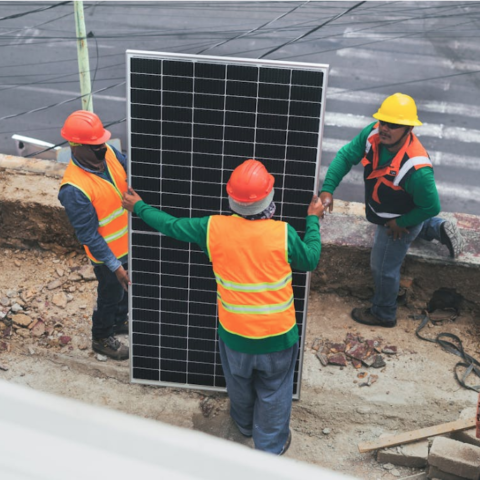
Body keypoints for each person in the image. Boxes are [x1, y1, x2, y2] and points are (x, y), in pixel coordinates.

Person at [122, 159, 324, 455]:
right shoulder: (283, 233)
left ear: (231, 199)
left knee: (239, 384)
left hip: (235, 336)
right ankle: (270, 447)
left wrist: (139, 206)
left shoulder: (213, 228)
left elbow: (171, 226)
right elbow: (311, 259)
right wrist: (313, 219)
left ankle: (243, 426)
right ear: (269, 198)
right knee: (275, 391)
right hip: (278, 337)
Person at [319, 93, 464, 328]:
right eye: (383, 122)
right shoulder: (373, 134)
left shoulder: (416, 168)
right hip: (389, 209)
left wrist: (402, 223)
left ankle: (383, 313)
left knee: (383, 265)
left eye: (393, 125)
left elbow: (431, 206)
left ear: (408, 128)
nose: (385, 128)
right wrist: (327, 189)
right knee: (415, 226)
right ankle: (435, 228)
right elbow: (345, 156)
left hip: (397, 220)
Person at [58, 110, 130, 360]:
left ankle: (120, 322)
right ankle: (101, 337)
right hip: (107, 255)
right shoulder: (74, 189)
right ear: (76, 147)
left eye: (102, 142)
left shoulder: (108, 153)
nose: (103, 148)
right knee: (110, 295)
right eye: (96, 146)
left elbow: (125, 166)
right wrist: (115, 265)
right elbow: (88, 235)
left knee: (124, 292)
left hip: (127, 244)